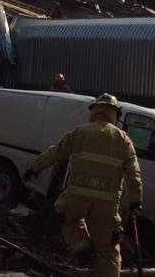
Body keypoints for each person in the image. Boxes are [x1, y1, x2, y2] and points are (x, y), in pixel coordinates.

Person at [24, 93, 142, 277]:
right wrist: (136, 200)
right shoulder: (123, 139)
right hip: (106, 206)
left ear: (94, 111)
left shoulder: (79, 133)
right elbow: (134, 173)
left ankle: (82, 247)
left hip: (76, 199)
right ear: (115, 114)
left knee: (63, 216)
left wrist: (34, 168)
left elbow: (55, 152)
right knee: (109, 250)